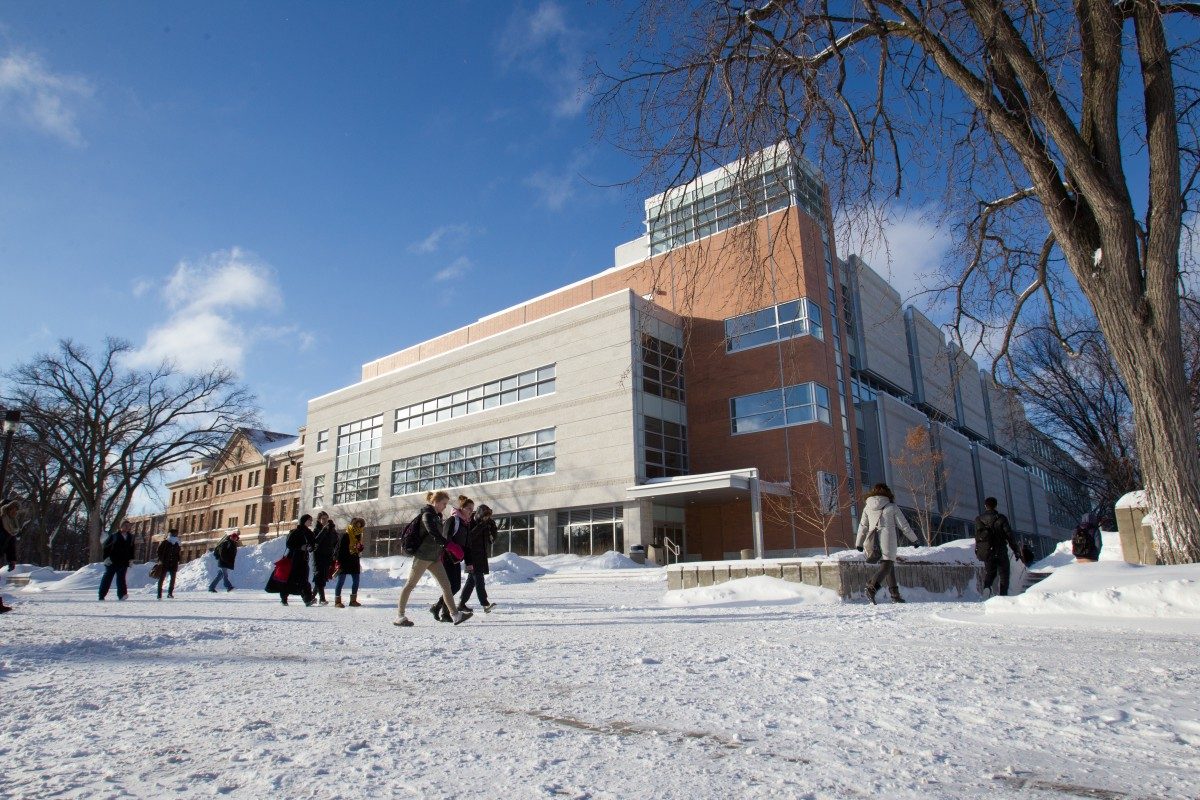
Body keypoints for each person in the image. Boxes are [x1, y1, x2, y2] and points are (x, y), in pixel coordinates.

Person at [394, 490, 472, 627]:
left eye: (446, 504)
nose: (445, 506)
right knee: (410, 585)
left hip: (434, 558)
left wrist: (444, 550)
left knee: (447, 586)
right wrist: (449, 545)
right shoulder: (427, 515)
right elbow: (433, 533)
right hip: (423, 556)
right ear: (435, 502)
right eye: (443, 503)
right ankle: (400, 616)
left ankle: (455, 615)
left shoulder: (437, 516)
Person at [854, 483, 918, 604]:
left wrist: (859, 543)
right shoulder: (891, 506)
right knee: (887, 565)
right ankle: (872, 587)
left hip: (873, 541)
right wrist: (914, 539)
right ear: (887, 492)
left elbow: (863, 526)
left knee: (889, 566)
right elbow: (904, 525)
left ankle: (895, 595)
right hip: (887, 539)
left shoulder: (867, 507)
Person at [431, 495, 472, 622]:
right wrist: (453, 550)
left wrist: (469, 562)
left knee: (455, 586)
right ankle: (445, 613)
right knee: (450, 587)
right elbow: (444, 539)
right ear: (462, 508)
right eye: (469, 508)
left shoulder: (466, 524)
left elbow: (467, 546)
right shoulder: (453, 520)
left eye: (472, 509)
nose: (471, 511)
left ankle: (438, 607)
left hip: (456, 560)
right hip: (446, 558)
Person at [974, 497, 1023, 597]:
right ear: (996, 506)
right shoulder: (1001, 518)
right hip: (1001, 551)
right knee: (1004, 575)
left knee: (990, 573)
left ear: (985, 506)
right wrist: (1016, 550)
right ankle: (1003, 596)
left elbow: (977, 537)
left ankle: (987, 587)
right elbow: (1009, 536)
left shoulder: (979, 519)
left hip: (988, 551)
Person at [459, 503, 497, 613]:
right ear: (480, 514)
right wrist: (482, 526)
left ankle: (461, 604)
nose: (486, 518)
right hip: (471, 556)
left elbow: (491, 540)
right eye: (485, 516)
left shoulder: (486, 523)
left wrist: (493, 528)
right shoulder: (470, 521)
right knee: (479, 580)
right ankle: (485, 604)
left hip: (481, 556)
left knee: (471, 582)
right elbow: (469, 537)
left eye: (488, 516)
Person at [279, 515, 315, 606]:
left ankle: (307, 599)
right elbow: (289, 544)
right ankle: (284, 598)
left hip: (304, 559)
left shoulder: (310, 533)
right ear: (304, 521)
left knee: (304, 580)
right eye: (309, 520)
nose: (311, 521)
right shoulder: (296, 532)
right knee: (289, 579)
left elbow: (313, 545)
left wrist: (310, 548)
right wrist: (300, 547)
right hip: (293, 559)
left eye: (311, 520)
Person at [99, 519, 137, 601]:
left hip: (124, 561)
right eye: (125, 526)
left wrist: (131, 559)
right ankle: (101, 595)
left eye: (128, 526)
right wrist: (106, 558)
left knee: (121, 579)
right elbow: (106, 547)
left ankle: (122, 594)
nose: (127, 527)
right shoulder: (114, 535)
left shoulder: (130, 537)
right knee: (107, 578)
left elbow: (131, 549)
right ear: (121, 526)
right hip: (112, 561)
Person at [334, 516, 365, 608]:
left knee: (356, 580)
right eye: (356, 525)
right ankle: (337, 601)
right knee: (341, 581)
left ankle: (353, 600)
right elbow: (339, 550)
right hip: (344, 561)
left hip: (354, 560)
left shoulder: (359, 536)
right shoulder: (345, 535)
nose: (358, 527)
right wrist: (338, 562)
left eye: (360, 526)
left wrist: (360, 548)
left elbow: (358, 549)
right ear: (352, 525)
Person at [311, 511, 338, 605]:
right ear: (319, 520)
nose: (325, 520)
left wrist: (333, 530)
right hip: (318, 556)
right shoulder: (316, 530)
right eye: (323, 518)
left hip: (327, 557)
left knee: (322, 578)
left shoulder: (330, 529)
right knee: (319, 577)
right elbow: (316, 542)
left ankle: (311, 597)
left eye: (326, 518)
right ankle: (322, 599)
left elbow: (335, 542)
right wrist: (324, 530)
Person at [0, 500, 21, 613]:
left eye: (17, 509)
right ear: (7, 508)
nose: (15, 511)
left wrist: (12, 560)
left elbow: (11, 544)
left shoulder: (12, 524)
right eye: (13, 509)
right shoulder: (1, 521)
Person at [156, 528, 182, 599]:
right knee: (162, 578)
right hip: (165, 563)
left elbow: (178, 553)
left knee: (173, 579)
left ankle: (170, 593)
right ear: (170, 534)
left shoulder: (177, 543)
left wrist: (178, 560)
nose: (175, 535)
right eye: (174, 534)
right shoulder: (165, 542)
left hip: (173, 563)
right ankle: (159, 594)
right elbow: (159, 551)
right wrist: (161, 559)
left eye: (176, 534)